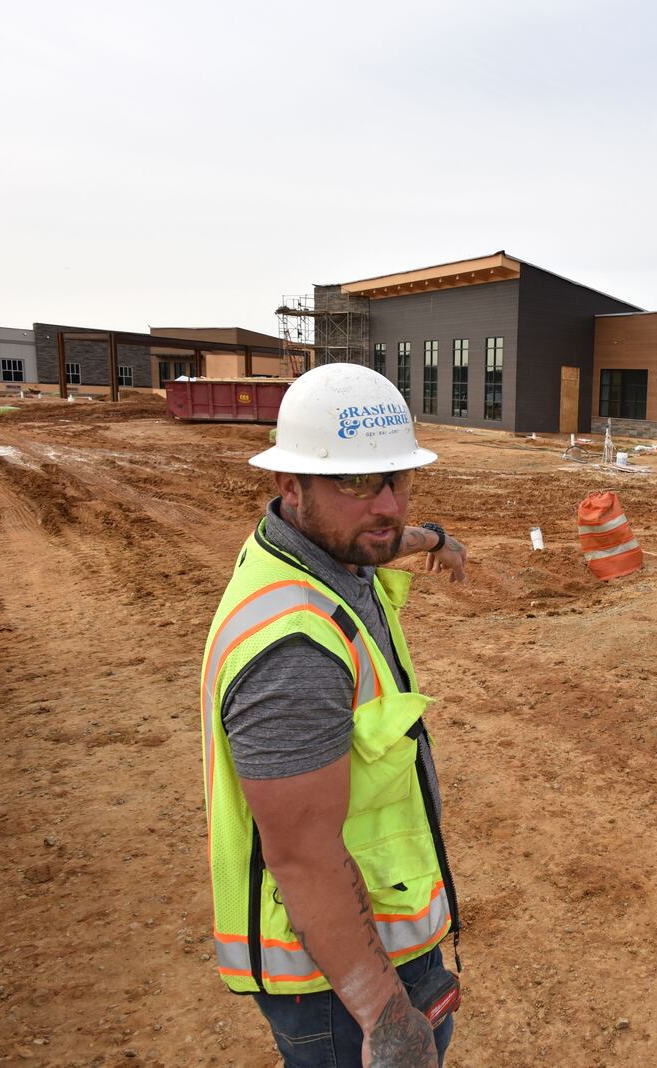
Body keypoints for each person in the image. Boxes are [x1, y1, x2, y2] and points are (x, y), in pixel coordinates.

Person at [199, 362, 468, 1067]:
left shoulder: (323, 553)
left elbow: (378, 543)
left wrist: (434, 540)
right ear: (290, 486)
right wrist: (388, 1018)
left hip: (382, 937)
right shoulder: (293, 656)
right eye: (354, 483)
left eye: (397, 480)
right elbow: (304, 858)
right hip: (338, 984)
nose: (386, 506)